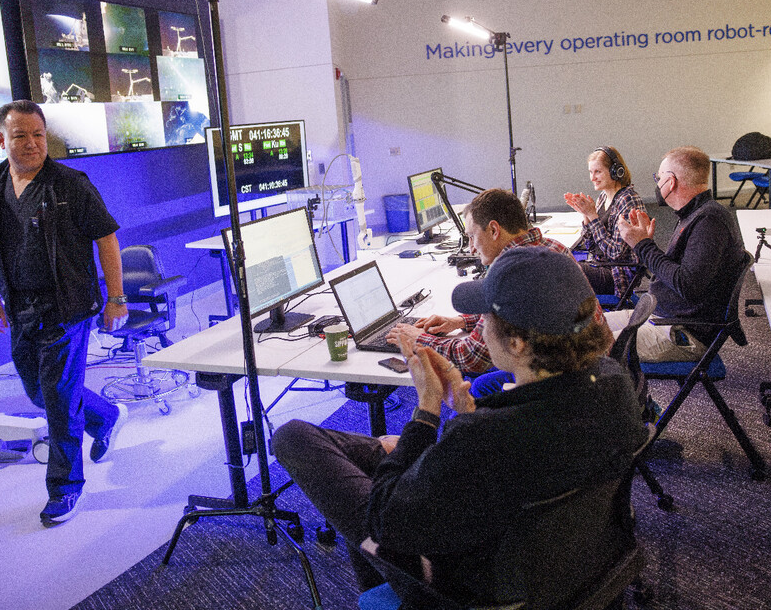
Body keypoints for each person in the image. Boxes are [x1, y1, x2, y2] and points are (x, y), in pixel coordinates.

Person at [273, 248, 646, 605]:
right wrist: (466, 412)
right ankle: (390, 458)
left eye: (485, 320)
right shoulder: (615, 384)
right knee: (385, 453)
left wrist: (426, 413)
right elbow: (521, 441)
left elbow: (384, 520)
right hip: (575, 570)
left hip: (477, 591)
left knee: (293, 436)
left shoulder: (482, 439)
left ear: (516, 344)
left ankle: (401, 570)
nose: (480, 330)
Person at [0, 99, 128, 527]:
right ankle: (105, 415)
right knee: (39, 393)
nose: (31, 144)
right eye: (20, 136)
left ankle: (65, 489)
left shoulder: (70, 184)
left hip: (67, 308)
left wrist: (115, 298)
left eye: (38, 135)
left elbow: (107, 238)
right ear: (2, 140)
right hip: (20, 308)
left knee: (59, 402)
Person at [386, 188, 571, 376]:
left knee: (480, 386)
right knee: (484, 386)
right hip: (585, 369)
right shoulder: (555, 248)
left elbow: (470, 358)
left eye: (472, 237)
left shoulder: (509, 275)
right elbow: (513, 309)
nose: (471, 248)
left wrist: (420, 339)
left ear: (493, 230)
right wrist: (459, 322)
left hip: (555, 380)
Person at [612, 146, 750, 362]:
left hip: (679, 331)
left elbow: (687, 285)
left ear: (671, 181)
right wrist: (645, 244)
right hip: (659, 316)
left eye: (659, 177)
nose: (657, 184)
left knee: (582, 348)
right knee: (587, 327)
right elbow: (676, 272)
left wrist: (643, 246)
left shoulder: (709, 221)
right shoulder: (695, 213)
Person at [564, 146, 646, 300]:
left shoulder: (628, 200)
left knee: (565, 270)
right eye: (590, 172)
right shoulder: (603, 197)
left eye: (598, 172)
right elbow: (592, 246)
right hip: (600, 264)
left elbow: (616, 253)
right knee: (559, 261)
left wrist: (593, 217)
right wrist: (586, 216)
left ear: (616, 171)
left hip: (616, 275)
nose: (592, 178)